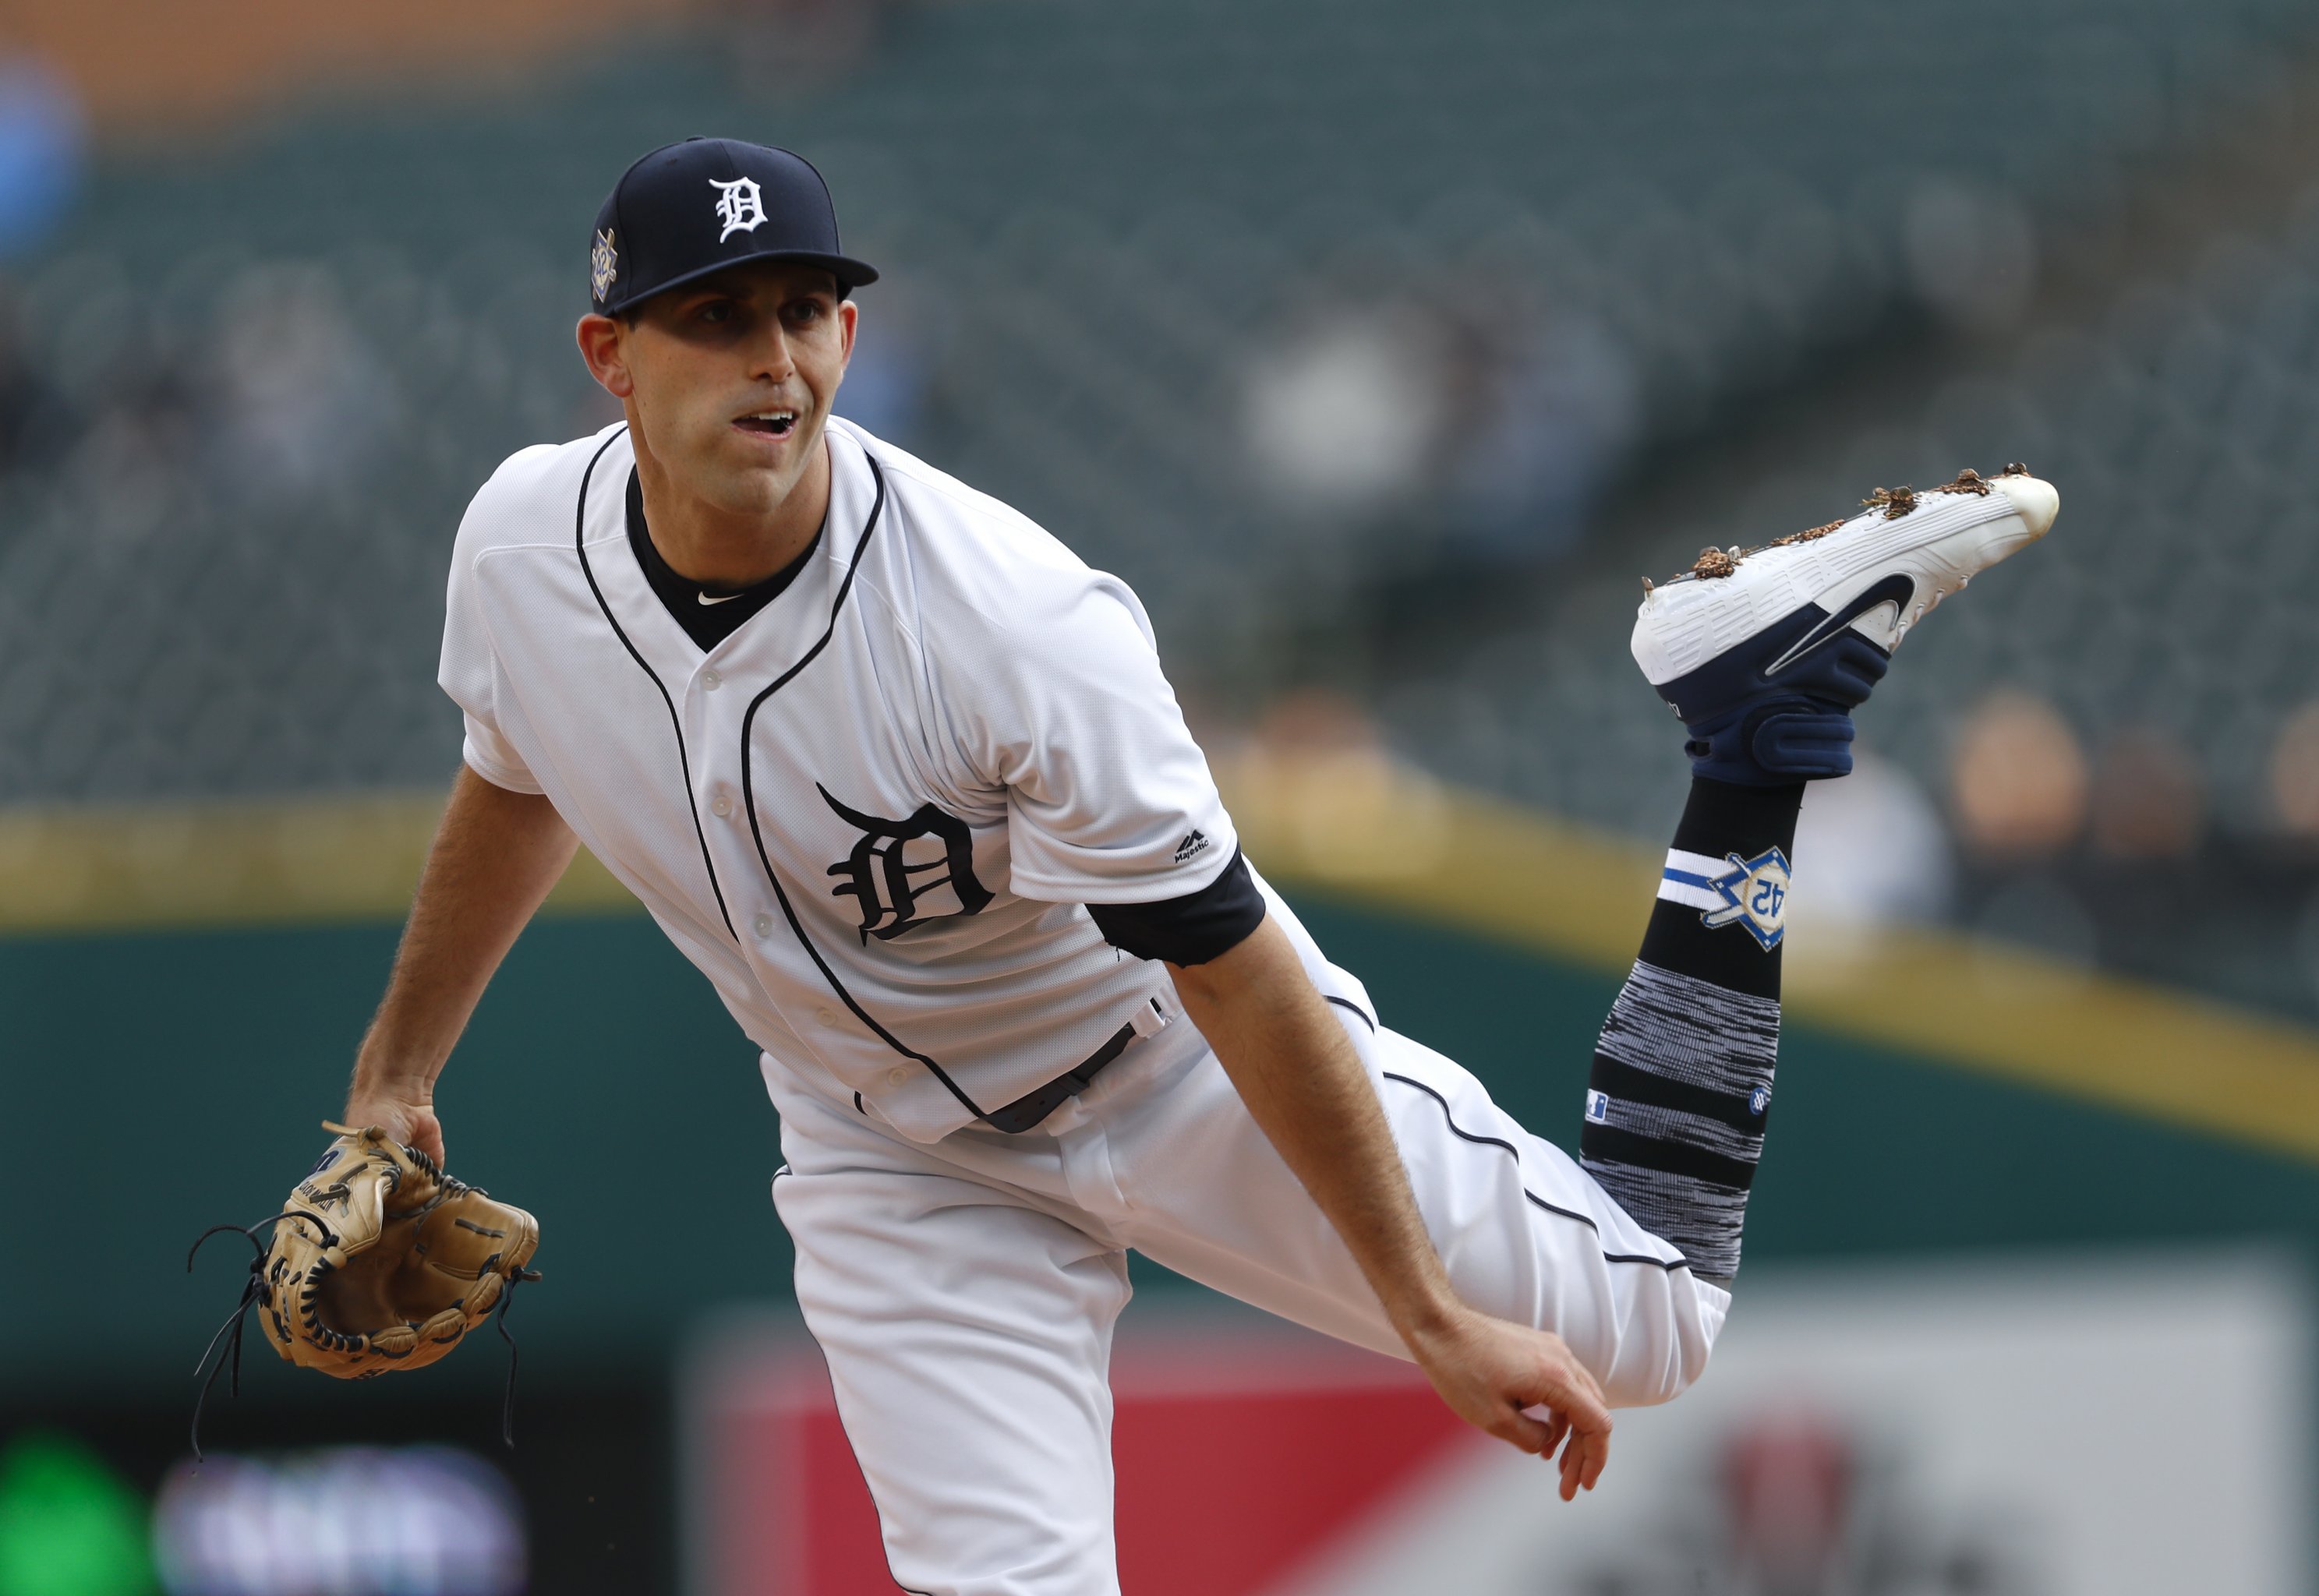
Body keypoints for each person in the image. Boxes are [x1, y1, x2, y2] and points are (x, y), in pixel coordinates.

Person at [340, 138, 2055, 1596]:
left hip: (1167, 1062)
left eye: (802, 310)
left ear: (853, 330)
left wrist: (1425, 1313)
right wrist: (397, 1069)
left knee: (1654, 1329)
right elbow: (513, 774)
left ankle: (1750, 728)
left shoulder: (1008, 620)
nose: (772, 357)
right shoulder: (518, 554)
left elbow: (1230, 961)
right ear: (609, 357)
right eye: (715, 319)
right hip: (892, 1163)